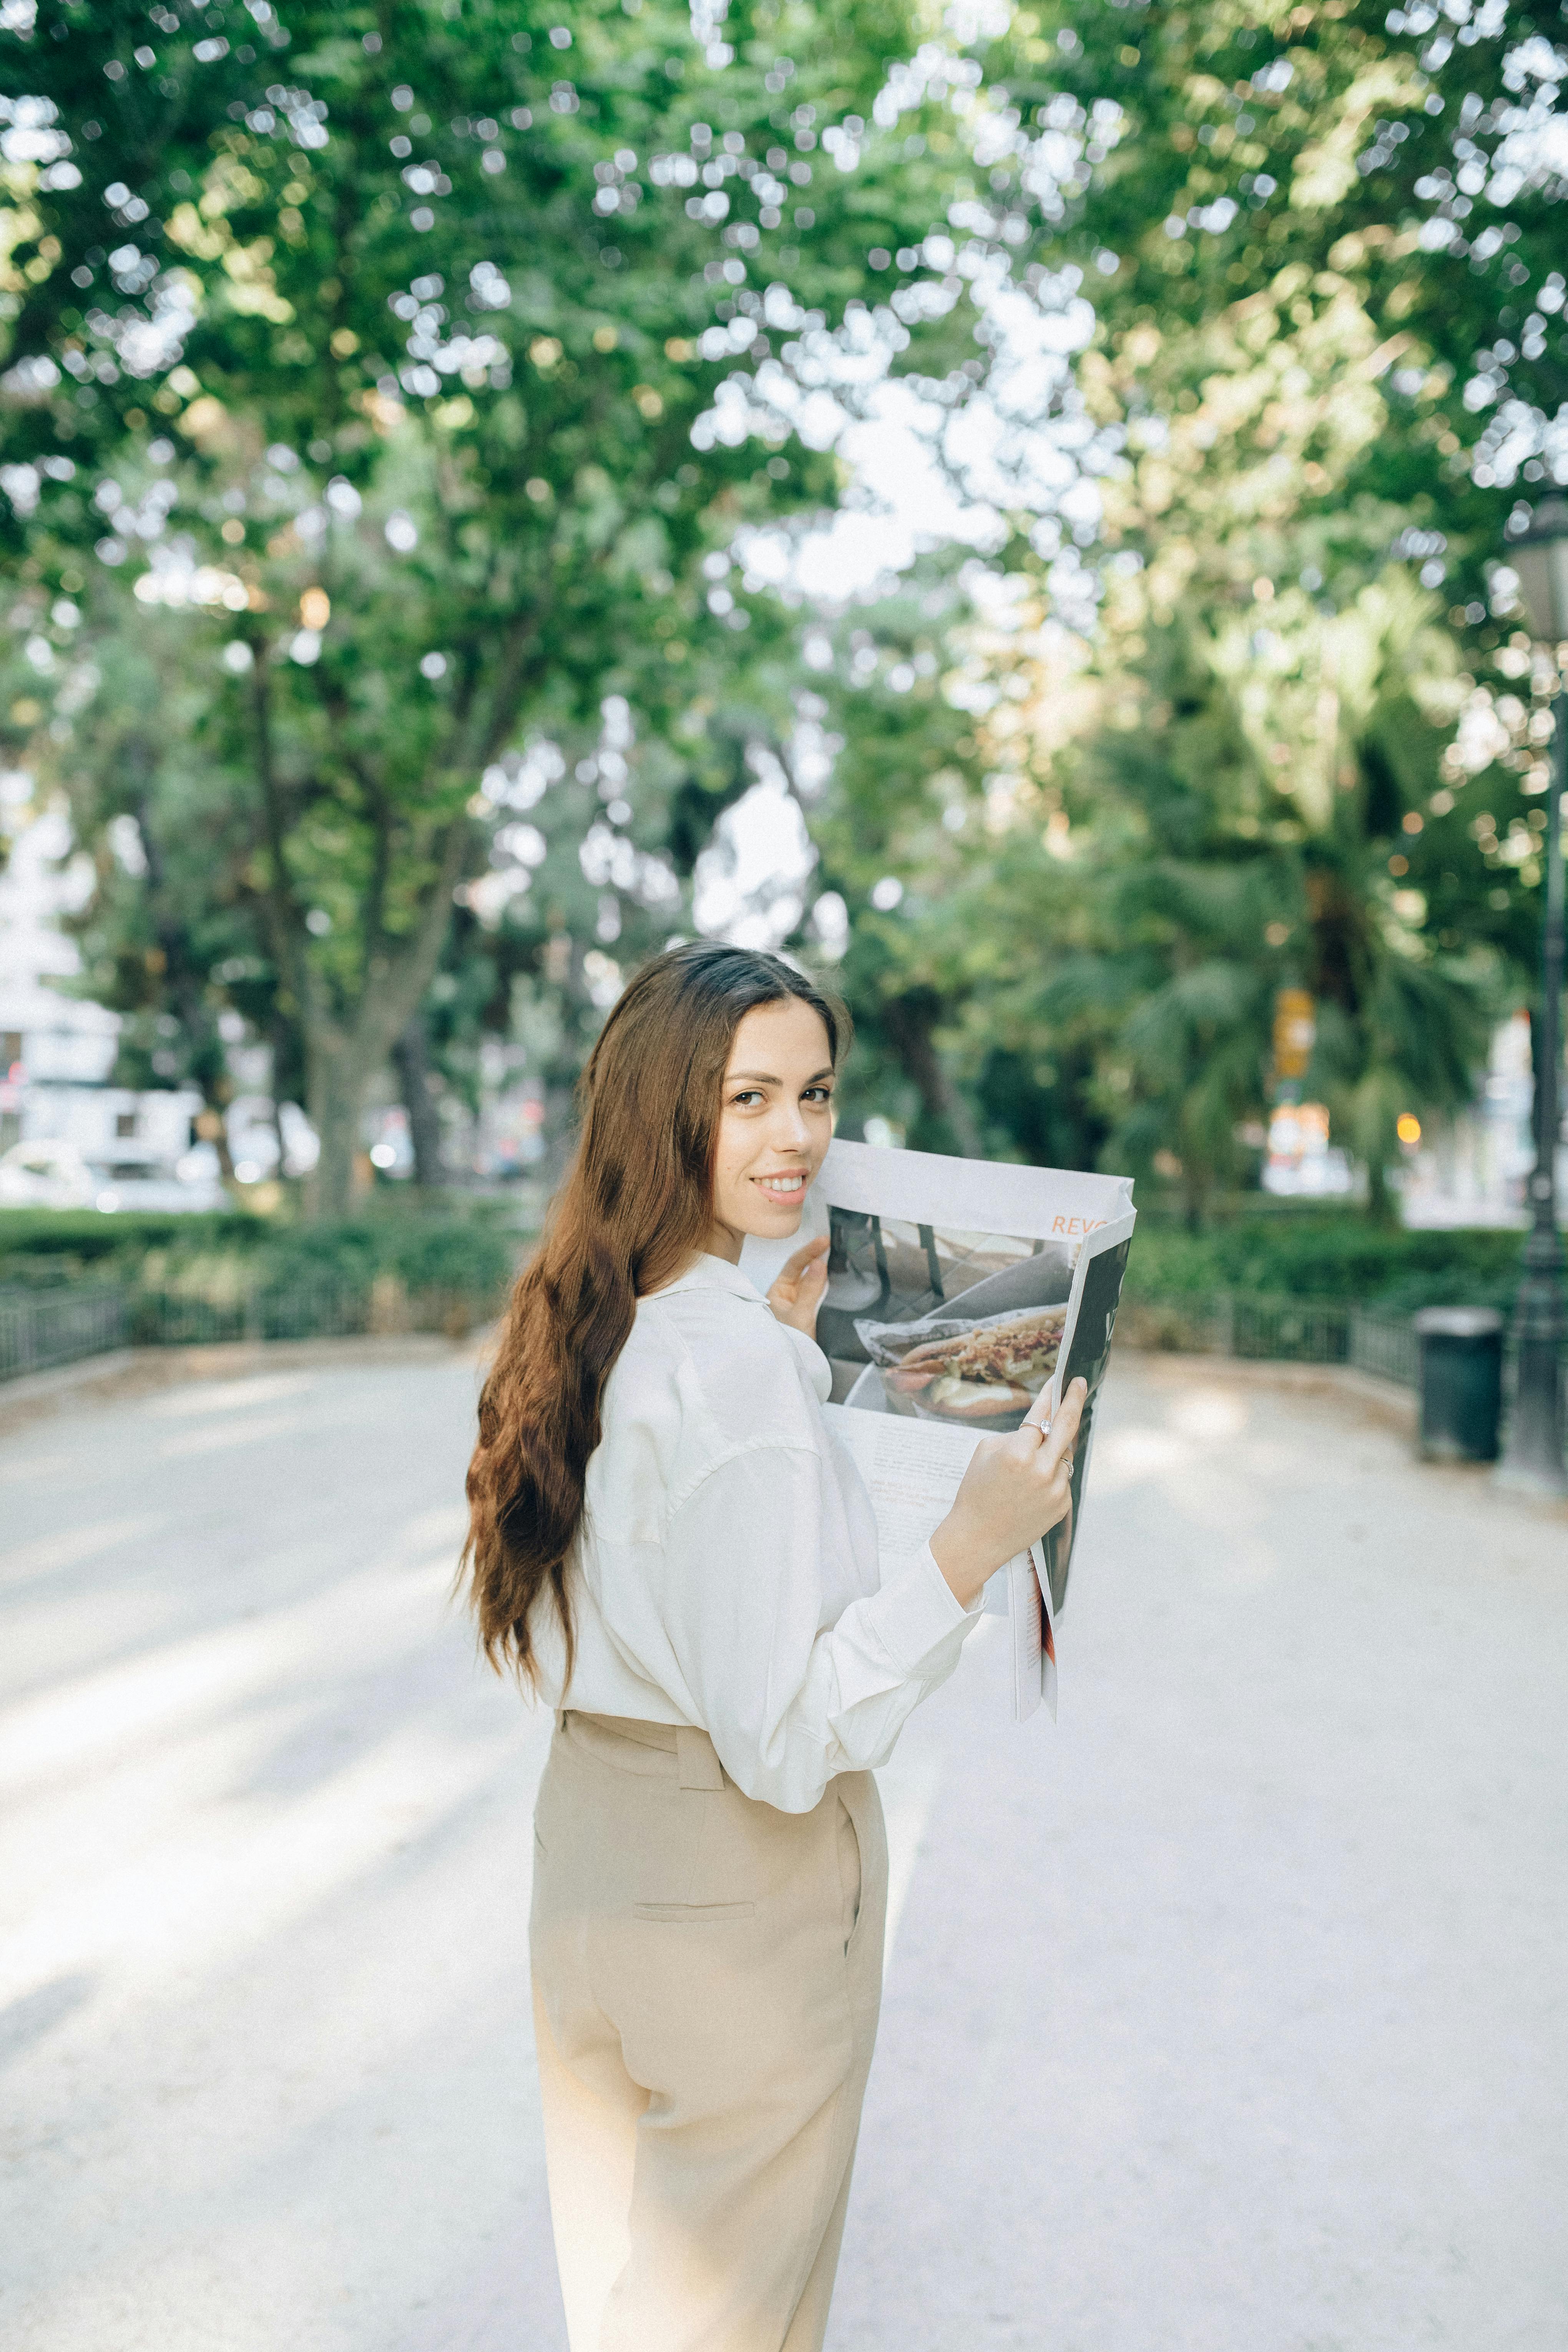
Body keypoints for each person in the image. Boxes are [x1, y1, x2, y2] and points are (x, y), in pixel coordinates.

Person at [461, 941, 1085, 2352]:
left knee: (629, 2312)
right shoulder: (728, 1367)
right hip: (736, 1896)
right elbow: (787, 1738)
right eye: (748, 1098)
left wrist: (781, 1345)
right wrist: (968, 1551)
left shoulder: (596, 1317)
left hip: (596, 1860)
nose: (798, 1135)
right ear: (664, 1110)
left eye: (815, 1094)